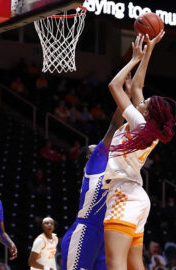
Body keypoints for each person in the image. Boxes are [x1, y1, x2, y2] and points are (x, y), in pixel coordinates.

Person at [103, 32, 176, 270]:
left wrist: (134, 59)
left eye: (146, 102)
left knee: (116, 263)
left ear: (148, 113)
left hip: (124, 193)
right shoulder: (148, 129)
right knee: (135, 264)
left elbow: (115, 85)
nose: (142, 99)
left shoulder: (139, 123)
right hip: (136, 196)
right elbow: (137, 85)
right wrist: (150, 49)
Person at [60, 80, 125, 269]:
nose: (100, 148)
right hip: (85, 231)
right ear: (89, 156)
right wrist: (124, 96)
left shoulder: (108, 167)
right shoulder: (93, 164)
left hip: (104, 234)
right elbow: (114, 125)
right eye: (95, 148)